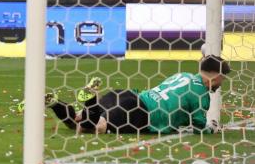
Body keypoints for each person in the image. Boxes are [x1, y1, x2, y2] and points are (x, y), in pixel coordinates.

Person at [46, 55, 230, 135]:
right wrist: (211, 127)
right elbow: (199, 126)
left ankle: (57, 103)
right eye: (222, 78)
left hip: (126, 96)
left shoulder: (183, 75)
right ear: (215, 76)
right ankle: (90, 101)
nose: (222, 82)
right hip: (140, 113)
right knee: (93, 127)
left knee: (79, 120)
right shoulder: (201, 95)